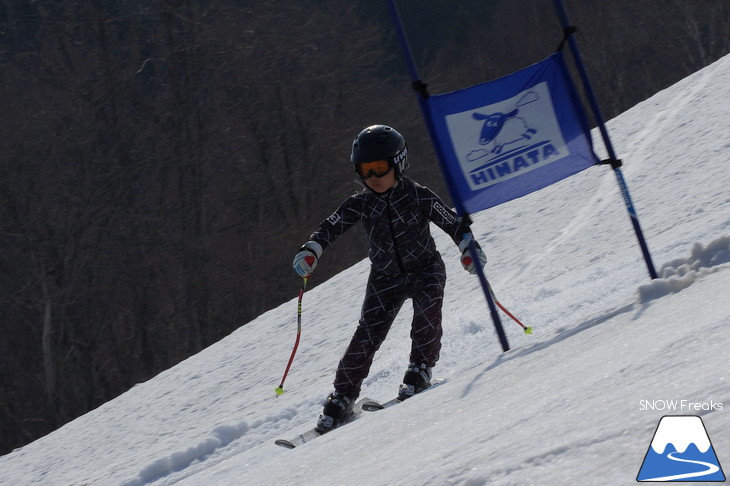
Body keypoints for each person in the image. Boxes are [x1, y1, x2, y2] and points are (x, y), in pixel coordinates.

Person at [292, 125, 487, 433]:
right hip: (385, 278)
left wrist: (468, 248)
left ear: (398, 163)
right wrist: (311, 250)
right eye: (365, 171)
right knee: (366, 334)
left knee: (427, 312)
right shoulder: (361, 202)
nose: (373, 178)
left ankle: (420, 367)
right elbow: (331, 226)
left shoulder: (418, 196)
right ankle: (343, 395)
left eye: (380, 168)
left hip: (425, 268)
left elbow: (452, 222)